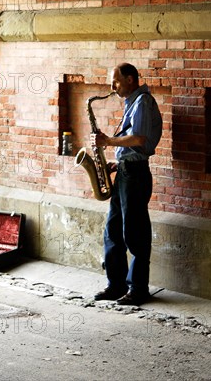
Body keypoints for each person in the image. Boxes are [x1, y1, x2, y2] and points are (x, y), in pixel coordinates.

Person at [90, 63, 162, 306]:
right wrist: (116, 162)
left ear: (130, 79)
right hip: (126, 171)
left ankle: (139, 288)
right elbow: (131, 144)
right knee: (112, 231)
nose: (112, 87)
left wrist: (108, 141)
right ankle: (116, 284)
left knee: (134, 233)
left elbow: (140, 139)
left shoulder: (142, 102)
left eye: (116, 82)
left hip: (136, 175)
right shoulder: (132, 103)